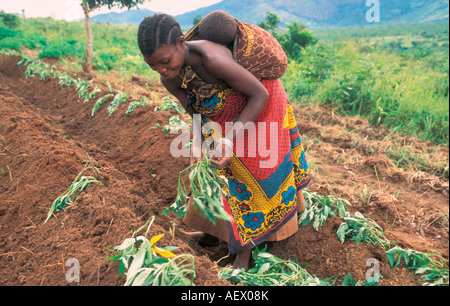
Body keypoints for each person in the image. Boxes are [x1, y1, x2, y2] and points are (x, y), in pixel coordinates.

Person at [138, 11, 311, 270]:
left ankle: (244, 254)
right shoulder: (169, 78)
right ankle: (212, 235)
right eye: (153, 66)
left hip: (261, 103)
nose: (162, 70)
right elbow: (194, 110)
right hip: (220, 110)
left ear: (182, 43)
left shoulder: (212, 59)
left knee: (251, 170)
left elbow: (259, 93)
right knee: (215, 168)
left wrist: (228, 141)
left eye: (165, 61)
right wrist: (199, 141)